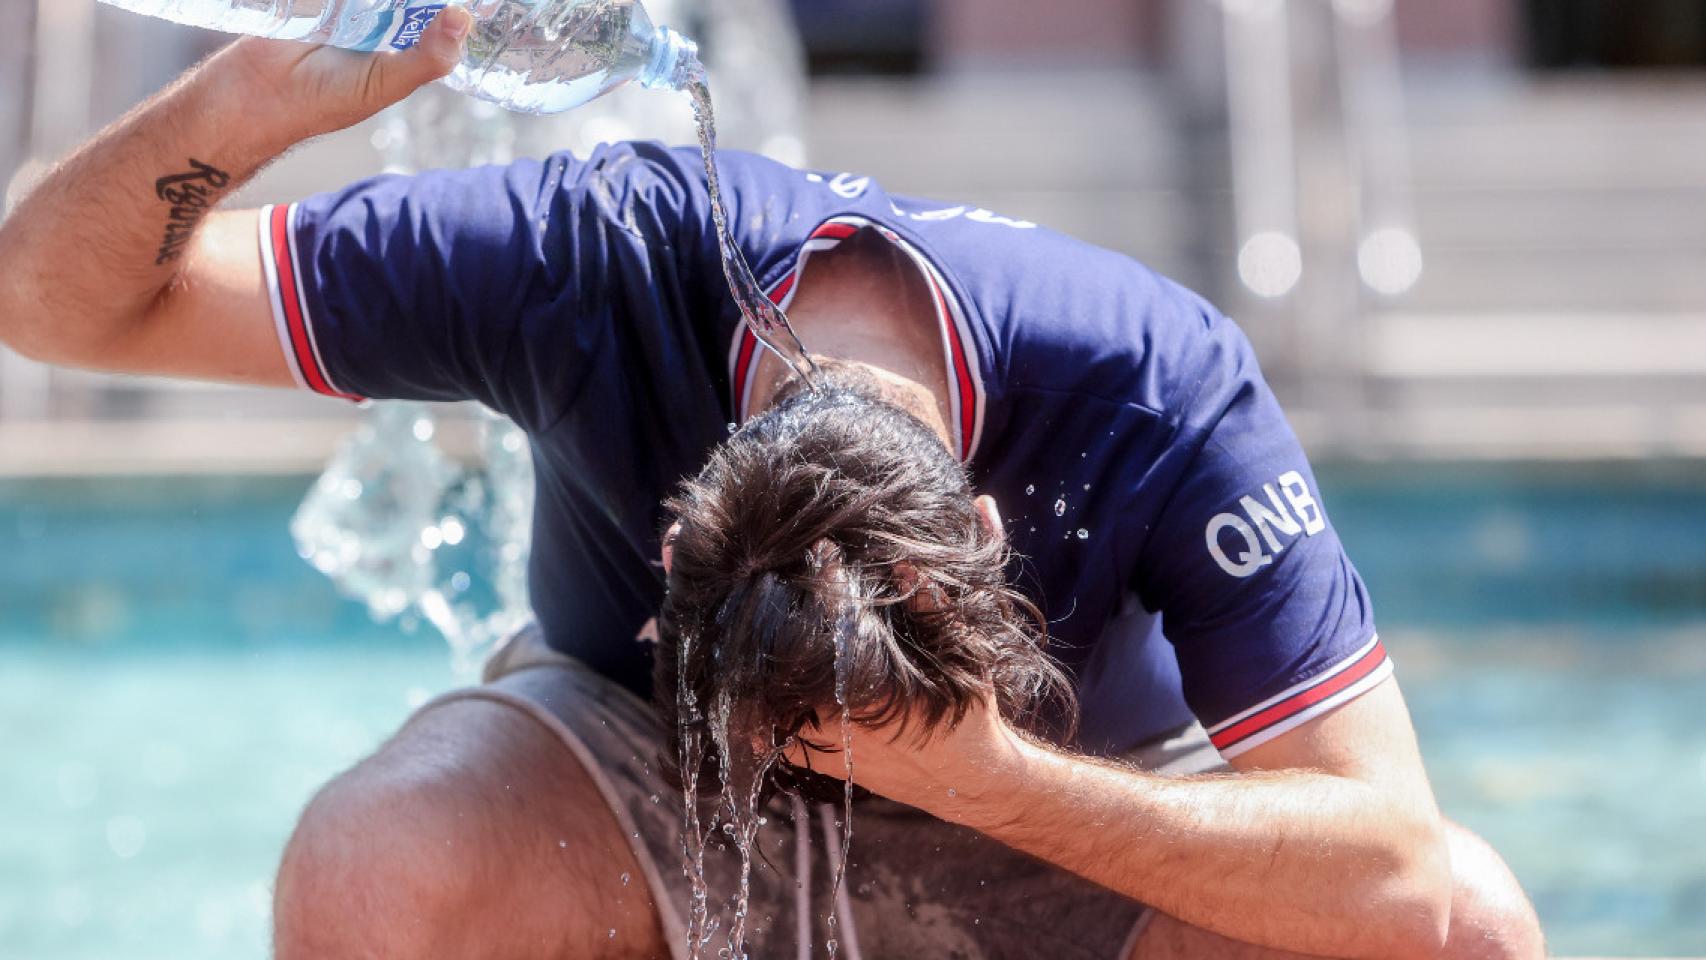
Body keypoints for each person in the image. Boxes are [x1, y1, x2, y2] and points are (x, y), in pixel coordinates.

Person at [0, 12, 1544, 960]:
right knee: (379, 859)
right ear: (681, 542)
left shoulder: (1153, 385)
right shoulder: (581, 260)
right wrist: (247, 102)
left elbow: (1398, 871)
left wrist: (990, 777)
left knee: (1470, 932)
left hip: (1057, 807)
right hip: (631, 780)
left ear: (986, 550)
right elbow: (50, 302)